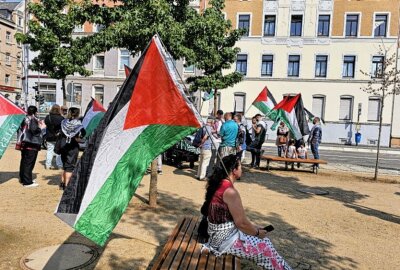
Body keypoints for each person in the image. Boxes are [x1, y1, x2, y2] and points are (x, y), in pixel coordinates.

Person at [200, 155, 292, 270]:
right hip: (224, 241)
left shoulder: (218, 184)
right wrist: (257, 233)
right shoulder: (230, 192)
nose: (242, 170)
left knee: (263, 242)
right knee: (265, 245)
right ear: (234, 171)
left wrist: (255, 228)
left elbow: (237, 220)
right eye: (240, 167)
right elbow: (241, 223)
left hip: (217, 236)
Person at [19, 105, 46, 187]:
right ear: (35, 112)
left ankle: (23, 178)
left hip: (25, 142)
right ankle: (27, 182)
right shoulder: (32, 119)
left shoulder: (25, 118)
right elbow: (34, 130)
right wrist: (41, 127)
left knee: (24, 161)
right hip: (32, 143)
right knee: (29, 163)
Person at [59, 107, 85, 189]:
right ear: (77, 114)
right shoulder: (78, 123)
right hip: (72, 145)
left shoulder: (63, 122)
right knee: (70, 166)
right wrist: (79, 137)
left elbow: (60, 132)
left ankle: (62, 182)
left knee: (64, 165)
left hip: (63, 145)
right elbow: (83, 133)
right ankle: (67, 186)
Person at [44, 104, 64, 170]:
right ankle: (59, 165)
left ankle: (48, 165)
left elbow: (46, 124)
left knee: (49, 151)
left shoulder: (47, 117)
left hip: (49, 136)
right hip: (58, 137)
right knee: (59, 152)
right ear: (59, 110)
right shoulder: (61, 118)